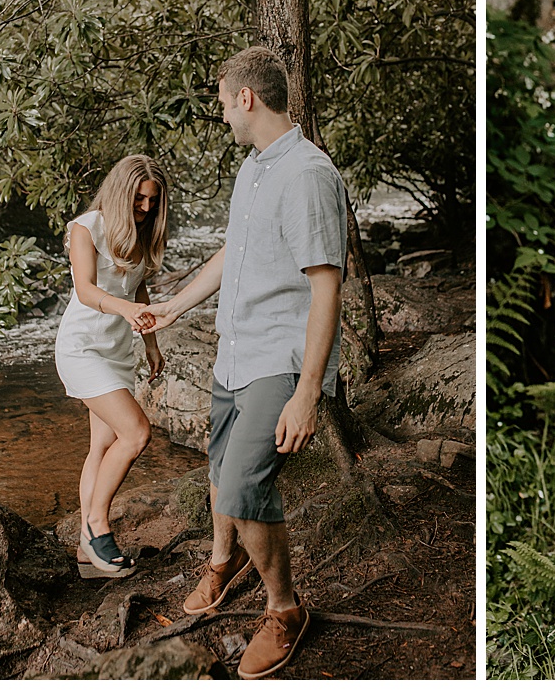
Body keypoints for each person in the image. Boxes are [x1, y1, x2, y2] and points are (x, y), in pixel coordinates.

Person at [140, 45, 346, 679]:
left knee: (243, 483)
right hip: (234, 349)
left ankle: (285, 611)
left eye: (224, 101)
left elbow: (326, 286)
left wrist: (308, 389)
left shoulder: (308, 175)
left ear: (247, 99)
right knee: (218, 470)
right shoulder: (254, 169)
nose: (222, 111)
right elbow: (237, 250)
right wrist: (175, 306)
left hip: (278, 358)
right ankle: (222, 565)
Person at [55, 154, 169, 577]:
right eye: (139, 199)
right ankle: (97, 525)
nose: (145, 207)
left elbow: (139, 290)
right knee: (136, 432)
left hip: (118, 353)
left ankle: (87, 554)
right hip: (82, 348)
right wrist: (120, 308)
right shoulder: (86, 228)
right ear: (122, 191)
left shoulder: (141, 233)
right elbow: (85, 290)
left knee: (102, 448)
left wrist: (151, 344)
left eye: (153, 201)